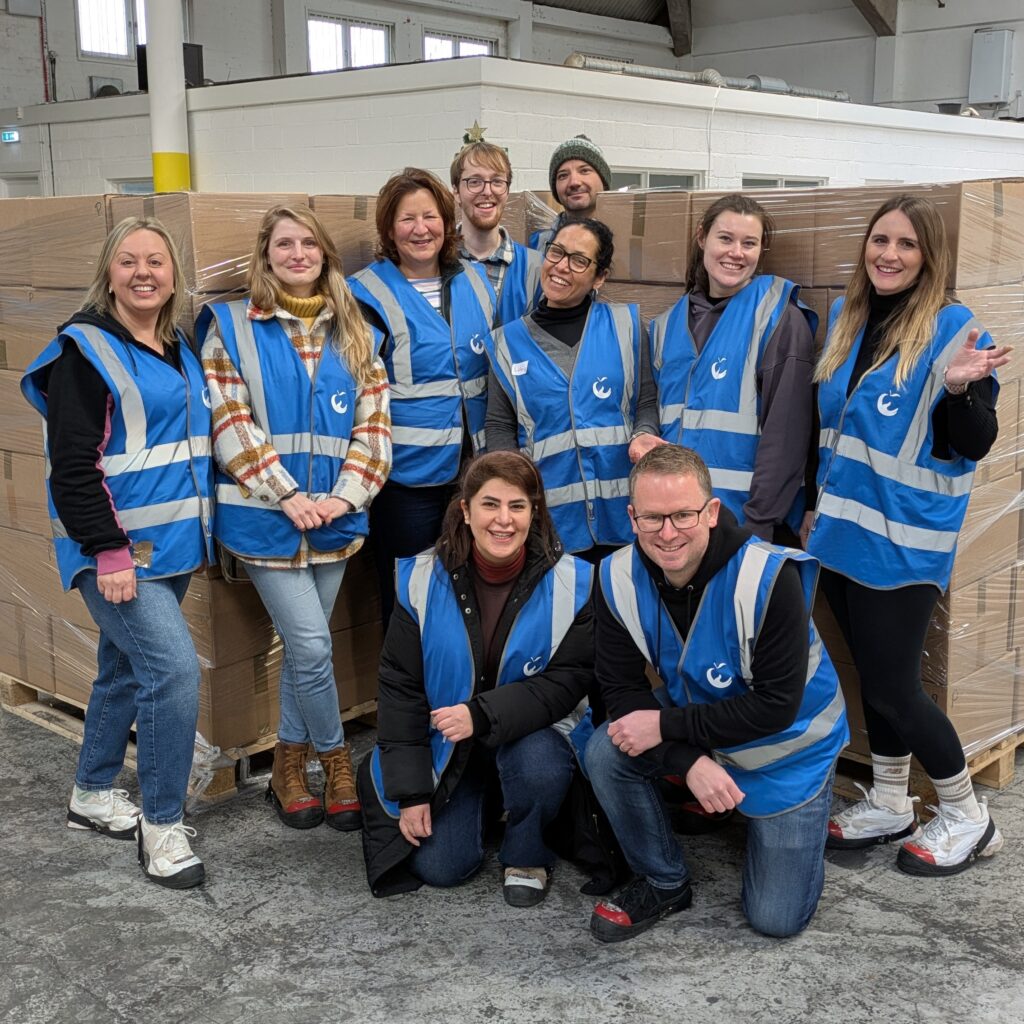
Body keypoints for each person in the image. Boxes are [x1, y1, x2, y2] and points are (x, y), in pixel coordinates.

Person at [803, 194, 1011, 875]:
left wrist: (959, 391)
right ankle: (890, 800)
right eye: (881, 240)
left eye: (907, 245)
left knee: (895, 688)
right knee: (871, 678)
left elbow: (973, 444)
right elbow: (830, 433)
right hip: (839, 535)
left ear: (928, 258)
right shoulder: (845, 317)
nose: (889, 254)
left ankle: (967, 816)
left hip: (905, 543)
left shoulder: (956, 330)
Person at [585, 445, 848, 942]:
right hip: (705, 717)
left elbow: (776, 706)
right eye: (652, 518)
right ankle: (663, 879)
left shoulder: (769, 576)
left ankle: (794, 815)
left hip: (789, 749)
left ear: (710, 513)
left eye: (683, 515)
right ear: (631, 517)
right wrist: (688, 761)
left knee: (774, 920)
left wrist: (667, 731)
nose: (667, 533)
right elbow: (619, 689)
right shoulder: (615, 576)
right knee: (605, 748)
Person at [21, 217, 214, 889]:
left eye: (155, 261)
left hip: (173, 547)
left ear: (172, 274)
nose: (142, 272)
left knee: (125, 671)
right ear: (108, 274)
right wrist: (108, 551)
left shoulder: (176, 344)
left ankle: (92, 791)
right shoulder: (86, 352)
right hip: (118, 553)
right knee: (173, 673)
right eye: (128, 261)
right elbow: (73, 466)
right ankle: (162, 825)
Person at [199, 205, 391, 832]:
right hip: (264, 519)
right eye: (285, 243)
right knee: (311, 645)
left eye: (310, 242)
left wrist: (345, 496)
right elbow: (230, 423)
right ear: (266, 255)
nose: (298, 253)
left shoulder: (357, 328)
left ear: (326, 255)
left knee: (304, 654)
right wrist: (285, 492)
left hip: (335, 520)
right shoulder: (231, 327)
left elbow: (376, 426)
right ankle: (336, 762)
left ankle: (287, 768)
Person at [357, 451, 595, 905]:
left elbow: (565, 682)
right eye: (490, 504)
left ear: (535, 512)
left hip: (531, 739)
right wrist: (410, 794)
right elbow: (400, 689)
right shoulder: (419, 578)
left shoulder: (575, 581)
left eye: (517, 506)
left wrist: (480, 714)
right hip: (450, 748)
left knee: (539, 764)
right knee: (442, 868)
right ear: (465, 510)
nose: (503, 520)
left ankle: (527, 851)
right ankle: (487, 805)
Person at [348, 167, 496, 626]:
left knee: (470, 590)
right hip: (406, 480)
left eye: (430, 216)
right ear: (388, 229)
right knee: (408, 598)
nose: (420, 229)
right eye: (406, 219)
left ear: (446, 222)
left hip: (473, 471)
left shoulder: (475, 279)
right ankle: (406, 696)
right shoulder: (364, 294)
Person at [485, 218, 660, 562]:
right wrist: (514, 491)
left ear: (600, 277)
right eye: (556, 253)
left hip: (625, 513)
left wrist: (643, 433)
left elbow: (647, 401)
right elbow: (499, 427)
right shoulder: (507, 343)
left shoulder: (625, 326)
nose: (562, 266)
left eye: (579, 260)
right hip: (552, 518)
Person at [649, 194, 818, 543]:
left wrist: (757, 524)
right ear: (702, 238)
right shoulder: (665, 326)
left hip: (742, 522)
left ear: (761, 250)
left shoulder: (780, 319)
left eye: (749, 243)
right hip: (677, 524)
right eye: (725, 238)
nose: (736, 252)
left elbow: (786, 436)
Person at [450, 138, 543, 326]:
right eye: (474, 181)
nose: (487, 191)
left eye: (497, 181)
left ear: (507, 191)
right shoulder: (436, 261)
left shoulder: (537, 267)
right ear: (456, 192)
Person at [528, 134, 611, 251]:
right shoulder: (537, 243)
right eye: (563, 175)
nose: (574, 182)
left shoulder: (624, 239)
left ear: (603, 180)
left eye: (584, 171)